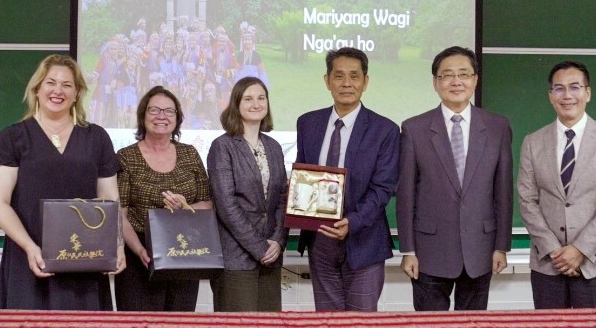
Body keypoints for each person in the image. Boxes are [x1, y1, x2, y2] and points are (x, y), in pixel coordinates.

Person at [0, 54, 125, 310]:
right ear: (37, 88)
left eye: (67, 85)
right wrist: (30, 248)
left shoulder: (97, 137)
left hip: (84, 262)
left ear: (77, 93)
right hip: (28, 261)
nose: (58, 91)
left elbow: (110, 200)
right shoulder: (13, 137)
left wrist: (116, 245)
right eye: (50, 82)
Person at [396, 46, 513, 311]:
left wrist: (501, 246)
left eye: (464, 74)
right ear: (435, 83)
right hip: (428, 252)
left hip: (481, 250)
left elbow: (503, 192)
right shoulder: (414, 129)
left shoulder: (497, 127)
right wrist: (408, 250)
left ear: (475, 80)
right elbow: (406, 195)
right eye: (447, 75)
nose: (456, 81)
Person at [295, 47, 399, 311]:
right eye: (339, 76)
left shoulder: (384, 130)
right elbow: (304, 176)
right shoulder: (308, 123)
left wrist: (352, 222)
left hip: (364, 240)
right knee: (327, 325)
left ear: (365, 81)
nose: (346, 83)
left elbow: (383, 187)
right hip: (320, 240)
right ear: (327, 80)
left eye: (354, 76)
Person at [517, 60, 596, 309]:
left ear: (587, 93)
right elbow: (527, 200)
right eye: (559, 88)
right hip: (548, 265)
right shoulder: (533, 142)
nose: (567, 95)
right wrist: (554, 251)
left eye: (575, 87)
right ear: (551, 96)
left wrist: (580, 249)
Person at [115, 85, 213, 312]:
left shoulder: (190, 153)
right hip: (139, 256)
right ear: (143, 116)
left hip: (184, 251)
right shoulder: (126, 157)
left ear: (177, 119)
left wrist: (185, 206)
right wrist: (139, 249)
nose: (162, 116)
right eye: (154, 110)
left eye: (169, 111)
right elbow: (120, 214)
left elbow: (207, 203)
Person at [207, 76, 288, 311]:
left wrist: (278, 240)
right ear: (236, 105)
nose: (256, 104)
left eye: (261, 98)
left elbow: (283, 198)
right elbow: (226, 205)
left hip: (272, 255)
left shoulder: (273, 147)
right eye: (249, 98)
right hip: (236, 257)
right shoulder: (223, 146)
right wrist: (259, 247)